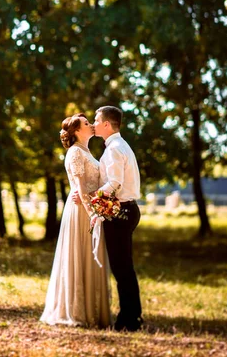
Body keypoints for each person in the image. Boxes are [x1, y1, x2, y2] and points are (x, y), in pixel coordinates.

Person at [40, 113, 111, 328]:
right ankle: (76, 311)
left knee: (91, 256)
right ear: (77, 131)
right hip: (81, 210)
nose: (91, 125)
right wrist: (92, 213)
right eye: (87, 123)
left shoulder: (87, 152)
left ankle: (94, 311)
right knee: (80, 255)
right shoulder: (75, 153)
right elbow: (79, 187)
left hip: (89, 206)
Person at [93, 105, 143, 332]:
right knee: (124, 267)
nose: (93, 123)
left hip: (120, 212)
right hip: (127, 210)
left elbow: (114, 183)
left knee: (122, 268)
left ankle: (129, 320)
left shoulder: (114, 149)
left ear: (106, 124)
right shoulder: (120, 145)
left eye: (96, 119)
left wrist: (92, 197)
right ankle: (132, 316)